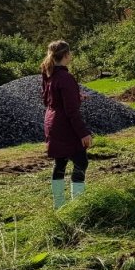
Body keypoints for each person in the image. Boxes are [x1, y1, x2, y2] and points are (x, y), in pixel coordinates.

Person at [40, 40, 92, 208]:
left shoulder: (48, 74)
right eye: (70, 54)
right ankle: (78, 206)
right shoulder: (65, 77)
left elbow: (48, 100)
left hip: (51, 122)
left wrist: (76, 96)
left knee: (60, 162)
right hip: (65, 125)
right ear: (66, 55)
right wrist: (83, 133)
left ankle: (59, 204)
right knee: (81, 162)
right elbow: (71, 112)